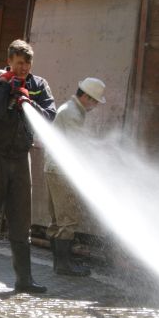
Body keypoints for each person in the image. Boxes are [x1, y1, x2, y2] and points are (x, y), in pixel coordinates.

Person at [0, 39, 56, 294]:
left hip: (20, 158)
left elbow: (50, 116)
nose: (23, 68)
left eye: (27, 63)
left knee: (21, 221)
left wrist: (28, 101)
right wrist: (7, 86)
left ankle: (24, 280)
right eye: (19, 63)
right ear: (9, 61)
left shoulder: (38, 85)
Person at [45, 77, 105, 277]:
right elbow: (76, 146)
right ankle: (63, 265)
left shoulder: (71, 109)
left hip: (54, 169)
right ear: (86, 97)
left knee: (57, 220)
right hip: (62, 172)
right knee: (67, 220)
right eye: (95, 101)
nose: (95, 106)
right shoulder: (72, 113)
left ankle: (60, 263)